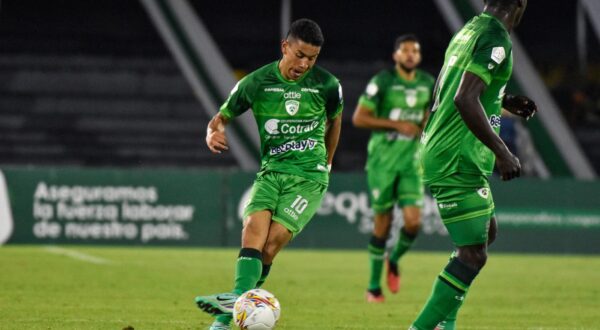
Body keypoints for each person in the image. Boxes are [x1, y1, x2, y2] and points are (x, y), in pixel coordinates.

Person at [195, 18, 343, 330]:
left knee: (272, 243)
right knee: (252, 230)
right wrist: (212, 133)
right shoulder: (257, 82)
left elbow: (335, 121)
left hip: (308, 178)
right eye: (300, 55)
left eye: (312, 58)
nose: (305, 64)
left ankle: (227, 311)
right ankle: (232, 308)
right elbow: (220, 118)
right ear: (285, 47)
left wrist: (327, 164)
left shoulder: (327, 85)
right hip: (272, 172)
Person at [411, 0, 537, 329]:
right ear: (520, 5)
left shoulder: (469, 29)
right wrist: (502, 151)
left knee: (485, 235)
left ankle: (444, 323)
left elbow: (451, 85)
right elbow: (463, 97)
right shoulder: (497, 38)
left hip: (445, 147)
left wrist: (502, 100)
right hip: (456, 154)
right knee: (473, 254)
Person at [352, 34, 435, 303]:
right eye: (405, 50)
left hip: (412, 162)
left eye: (415, 51)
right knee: (382, 226)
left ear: (419, 57)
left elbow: (430, 115)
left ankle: (394, 258)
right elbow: (359, 118)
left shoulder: (427, 83)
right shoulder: (383, 82)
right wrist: (397, 125)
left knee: (413, 222)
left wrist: (426, 125)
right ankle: (373, 287)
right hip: (382, 162)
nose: (410, 54)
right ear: (396, 55)